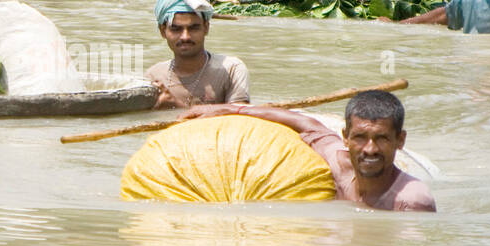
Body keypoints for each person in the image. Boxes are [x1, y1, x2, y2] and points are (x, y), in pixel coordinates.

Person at [180, 89, 436, 212]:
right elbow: (304, 123)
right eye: (360, 137)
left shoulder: (411, 201)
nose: (369, 149)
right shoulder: (339, 165)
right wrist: (227, 109)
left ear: (400, 141)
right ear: (345, 137)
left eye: (381, 139)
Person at [146, 0, 251, 109]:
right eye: (176, 29)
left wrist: (176, 106)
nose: (185, 37)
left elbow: (240, 117)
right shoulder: (154, 76)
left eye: (194, 28)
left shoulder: (231, 69)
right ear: (163, 31)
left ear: (206, 28)